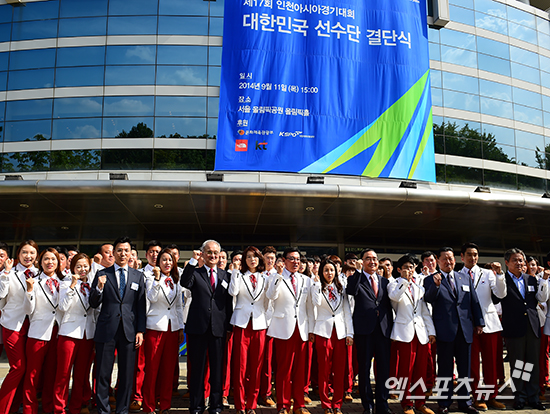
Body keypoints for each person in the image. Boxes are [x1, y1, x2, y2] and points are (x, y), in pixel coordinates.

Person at [423, 247, 485, 414]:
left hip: (465, 330)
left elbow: (474, 301)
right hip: (444, 331)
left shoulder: (464, 277)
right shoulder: (430, 279)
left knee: (465, 369)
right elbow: (428, 299)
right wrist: (435, 286)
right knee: (444, 369)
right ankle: (444, 403)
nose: (448, 262)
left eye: (451, 259)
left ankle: (465, 402)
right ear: (438, 260)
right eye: (445, 259)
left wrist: (479, 322)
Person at [90, 236, 146, 414]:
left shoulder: (138, 276)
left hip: (129, 331)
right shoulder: (102, 274)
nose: (123, 253)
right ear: (113, 253)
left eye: (126, 250)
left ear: (131, 254)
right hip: (107, 329)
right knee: (102, 374)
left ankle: (122, 410)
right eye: (119, 250)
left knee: (127, 374)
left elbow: (140, 306)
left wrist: (140, 331)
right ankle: (103, 409)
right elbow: (93, 302)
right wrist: (99, 288)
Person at [180, 240, 233, 414]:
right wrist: (193, 261)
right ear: (202, 253)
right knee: (197, 370)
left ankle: (216, 405)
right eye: (209, 252)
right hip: (198, 328)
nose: (212, 256)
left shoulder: (226, 276)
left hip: (218, 328)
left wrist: (228, 326)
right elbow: (185, 283)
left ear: (220, 256)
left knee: (217, 370)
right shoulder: (195, 272)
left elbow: (228, 303)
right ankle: (196, 406)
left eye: (216, 253)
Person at [457, 243, 507, 411]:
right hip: (468, 326)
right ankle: (477, 396)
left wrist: (499, 275)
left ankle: (492, 396)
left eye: (476, 254)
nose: (473, 258)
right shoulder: (457, 276)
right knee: (472, 365)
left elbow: (500, 294)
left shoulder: (488, 273)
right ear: (462, 256)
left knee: (491, 361)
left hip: (489, 323)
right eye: (469, 254)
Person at [499, 248, 549, 410]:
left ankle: (533, 397)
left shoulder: (532, 279)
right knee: (518, 364)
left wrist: (544, 281)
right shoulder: (503, 280)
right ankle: (520, 395)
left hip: (532, 327)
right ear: (507, 263)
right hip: (514, 327)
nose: (519, 263)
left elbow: (541, 298)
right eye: (515, 260)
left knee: (533, 363)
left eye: (521, 260)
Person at [266, 247, 314, 414]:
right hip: (283, 329)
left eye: (298, 259)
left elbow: (309, 306)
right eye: (292, 259)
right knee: (284, 370)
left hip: (301, 329)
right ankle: (283, 405)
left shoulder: (306, 280)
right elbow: (271, 296)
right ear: (284, 261)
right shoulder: (275, 277)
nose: (295, 262)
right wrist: (278, 276)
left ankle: (299, 405)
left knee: (300, 370)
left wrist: (311, 330)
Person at [346, 248, 393, 414]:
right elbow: (351, 291)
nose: (372, 262)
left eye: (374, 259)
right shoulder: (355, 279)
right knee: (364, 368)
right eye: (368, 259)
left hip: (383, 330)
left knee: (383, 369)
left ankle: (383, 404)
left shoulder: (385, 282)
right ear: (362, 261)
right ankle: (368, 405)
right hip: (364, 331)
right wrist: (358, 272)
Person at [387, 255, 435, 414]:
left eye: (412, 267)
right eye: (406, 267)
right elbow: (395, 298)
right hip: (404, 333)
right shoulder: (393, 284)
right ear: (399, 269)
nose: (410, 270)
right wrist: (404, 280)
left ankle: (421, 402)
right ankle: (406, 403)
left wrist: (431, 331)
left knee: (421, 369)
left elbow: (424, 312)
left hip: (420, 333)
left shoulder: (419, 287)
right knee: (405, 370)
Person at [54, 253, 97, 414]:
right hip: (69, 333)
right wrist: (72, 286)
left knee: (81, 374)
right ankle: (59, 408)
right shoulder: (65, 284)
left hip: (87, 334)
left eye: (85, 266)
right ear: (73, 268)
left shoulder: (93, 285)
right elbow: (63, 307)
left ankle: (76, 407)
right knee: (63, 374)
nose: (82, 269)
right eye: (78, 266)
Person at [142, 248, 184, 414]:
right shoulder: (150, 278)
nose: (167, 263)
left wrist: (180, 327)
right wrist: (158, 279)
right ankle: (149, 406)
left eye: (170, 260)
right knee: (152, 369)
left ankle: (165, 405)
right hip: (155, 327)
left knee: (168, 369)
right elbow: (151, 297)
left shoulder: (176, 280)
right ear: (158, 262)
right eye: (164, 260)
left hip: (172, 328)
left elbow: (179, 306)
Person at [229, 246, 269, 414]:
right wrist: (235, 273)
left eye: (255, 257)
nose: (252, 260)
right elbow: (233, 292)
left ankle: (251, 404)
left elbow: (268, 302)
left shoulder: (265, 278)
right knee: (240, 366)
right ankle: (239, 405)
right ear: (244, 260)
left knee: (256, 367)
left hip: (259, 324)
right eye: (249, 257)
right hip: (242, 324)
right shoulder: (239, 276)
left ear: (260, 259)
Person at [23, 248, 64, 414]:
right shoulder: (33, 281)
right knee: (32, 374)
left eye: (53, 259)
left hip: (57, 333)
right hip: (38, 333)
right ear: (40, 262)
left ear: (58, 262)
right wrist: (29, 291)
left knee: (52, 373)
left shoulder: (65, 282)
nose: (50, 262)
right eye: (46, 259)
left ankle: (48, 407)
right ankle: (28, 409)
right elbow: (28, 310)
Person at [310, 258, 354, 414]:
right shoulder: (316, 287)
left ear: (336, 272)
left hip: (340, 333)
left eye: (332, 270)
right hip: (323, 332)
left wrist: (350, 333)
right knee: (324, 370)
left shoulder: (342, 287)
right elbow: (314, 303)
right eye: (326, 270)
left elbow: (347, 311)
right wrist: (315, 282)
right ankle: (326, 404)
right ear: (322, 272)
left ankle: (337, 404)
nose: (329, 273)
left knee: (339, 370)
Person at [0, 240, 39, 414]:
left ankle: (15, 406)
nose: (28, 256)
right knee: (18, 367)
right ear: (18, 255)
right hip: (12, 325)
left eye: (31, 252)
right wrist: (6, 273)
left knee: (28, 369)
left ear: (36, 255)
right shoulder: (9, 273)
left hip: (34, 327)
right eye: (24, 252)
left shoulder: (40, 274)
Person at [130, 240, 162, 412]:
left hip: (158, 325)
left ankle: (154, 396)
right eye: (151, 251)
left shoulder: (167, 275)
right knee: (140, 364)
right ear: (146, 254)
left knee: (156, 364)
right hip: (142, 323)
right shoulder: (138, 274)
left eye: (158, 252)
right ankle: (137, 396)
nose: (155, 255)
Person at [260, 246, 277, 408]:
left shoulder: (279, 276)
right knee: (259, 360)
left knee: (270, 361)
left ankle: (267, 393)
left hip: (275, 323)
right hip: (258, 322)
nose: (270, 261)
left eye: (272, 258)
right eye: (267, 257)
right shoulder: (257, 275)